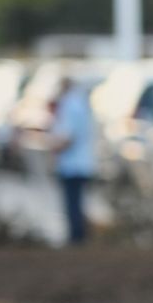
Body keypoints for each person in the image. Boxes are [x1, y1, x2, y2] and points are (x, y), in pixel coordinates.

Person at [50, 75, 97, 245]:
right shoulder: (81, 103)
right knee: (78, 202)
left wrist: (54, 148)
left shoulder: (70, 104)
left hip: (72, 164)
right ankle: (80, 236)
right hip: (83, 162)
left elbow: (68, 136)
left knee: (72, 204)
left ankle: (76, 238)